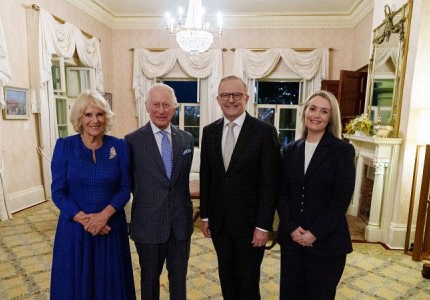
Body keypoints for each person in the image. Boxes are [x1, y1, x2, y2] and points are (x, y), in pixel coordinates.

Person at [199, 75, 281, 300]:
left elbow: (270, 183)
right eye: (225, 95)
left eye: (236, 95)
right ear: (218, 99)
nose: (231, 100)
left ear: (246, 98)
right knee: (227, 278)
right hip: (220, 224)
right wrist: (205, 216)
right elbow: (207, 177)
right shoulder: (209, 131)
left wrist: (263, 226)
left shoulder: (264, 132)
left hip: (251, 227)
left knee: (248, 282)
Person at [49, 91, 135, 300]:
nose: (94, 120)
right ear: (79, 118)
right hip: (75, 231)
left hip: (110, 229)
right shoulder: (64, 146)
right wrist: (86, 220)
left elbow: (125, 188)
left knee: (112, 285)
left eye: (99, 114)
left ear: (106, 117)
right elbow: (58, 192)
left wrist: (104, 216)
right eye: (88, 115)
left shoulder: (119, 146)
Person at [277, 90, 356, 300]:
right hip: (292, 242)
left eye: (324, 111)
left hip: (327, 243)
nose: (316, 115)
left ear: (331, 118)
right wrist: (292, 228)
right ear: (304, 112)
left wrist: (314, 233)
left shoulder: (343, 151)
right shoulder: (289, 150)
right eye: (312, 108)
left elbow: (340, 200)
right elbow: (282, 194)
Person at [125, 83, 195, 300]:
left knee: (179, 282)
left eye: (166, 105)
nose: (161, 110)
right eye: (156, 104)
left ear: (174, 108)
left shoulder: (186, 140)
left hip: (180, 226)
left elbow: (179, 182)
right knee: (149, 282)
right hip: (147, 226)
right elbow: (126, 183)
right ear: (146, 106)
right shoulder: (131, 141)